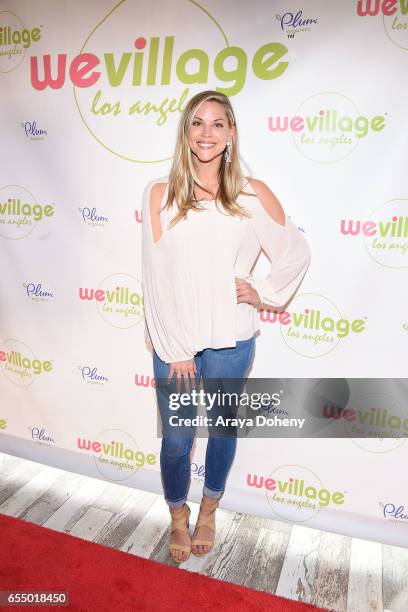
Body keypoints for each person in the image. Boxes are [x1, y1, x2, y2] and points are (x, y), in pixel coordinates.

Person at [141, 90, 311, 564]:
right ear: (186, 131)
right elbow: (154, 276)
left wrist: (265, 292)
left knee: (221, 428)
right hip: (175, 338)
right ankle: (177, 514)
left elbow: (295, 251)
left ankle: (210, 507)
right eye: (198, 123)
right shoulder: (160, 193)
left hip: (231, 339)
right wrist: (174, 347)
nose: (207, 133)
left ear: (231, 133)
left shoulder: (251, 194)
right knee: (177, 439)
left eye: (218, 124)